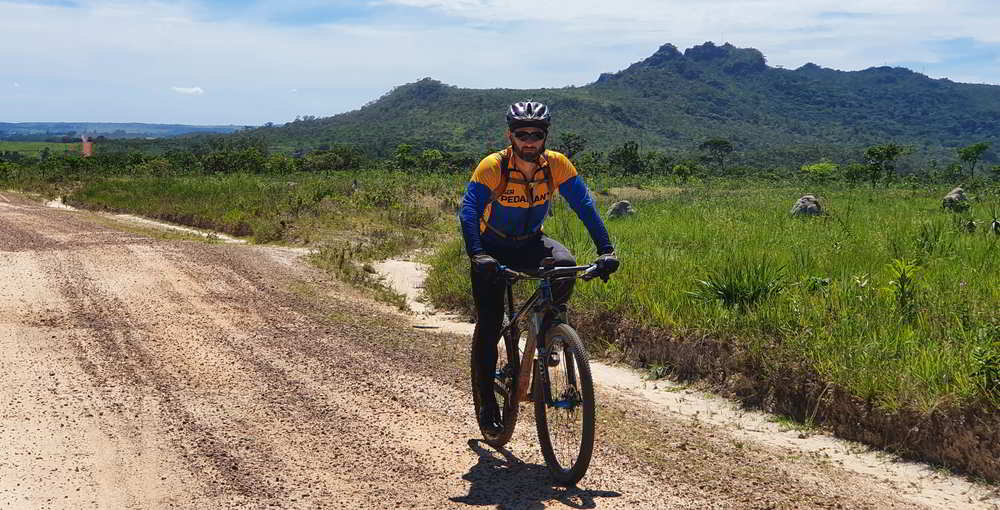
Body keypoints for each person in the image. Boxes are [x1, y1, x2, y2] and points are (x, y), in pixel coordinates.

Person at [458, 100, 620, 433]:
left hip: (531, 242)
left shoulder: (557, 165)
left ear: (545, 135)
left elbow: (586, 207)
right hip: (493, 246)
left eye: (536, 133)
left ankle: (550, 332)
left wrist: (606, 250)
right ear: (511, 135)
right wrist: (478, 254)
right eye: (522, 134)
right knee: (489, 325)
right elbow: (468, 212)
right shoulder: (493, 166)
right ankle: (488, 401)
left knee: (565, 265)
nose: (529, 140)